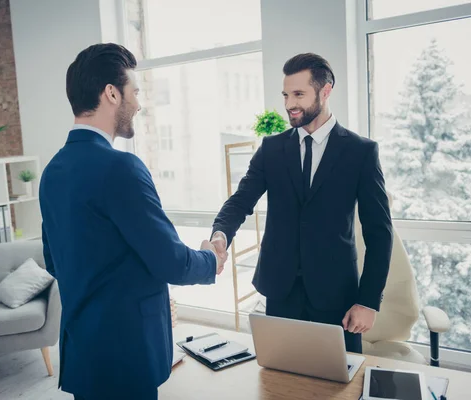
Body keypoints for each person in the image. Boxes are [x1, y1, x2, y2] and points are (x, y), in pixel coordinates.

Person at [39, 43, 226, 400]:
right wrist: (211, 261)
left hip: (84, 354)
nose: (138, 104)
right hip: (125, 355)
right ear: (111, 93)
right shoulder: (120, 167)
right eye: (135, 92)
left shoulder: (52, 172)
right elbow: (170, 261)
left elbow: (55, 261)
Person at [209, 53, 393, 353]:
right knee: (281, 384)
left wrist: (368, 301)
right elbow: (241, 200)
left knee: (339, 388)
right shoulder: (271, 149)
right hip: (280, 292)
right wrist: (220, 235)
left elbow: (379, 232)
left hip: (337, 298)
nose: (289, 104)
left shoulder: (360, 152)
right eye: (285, 94)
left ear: (325, 91)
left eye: (298, 94)